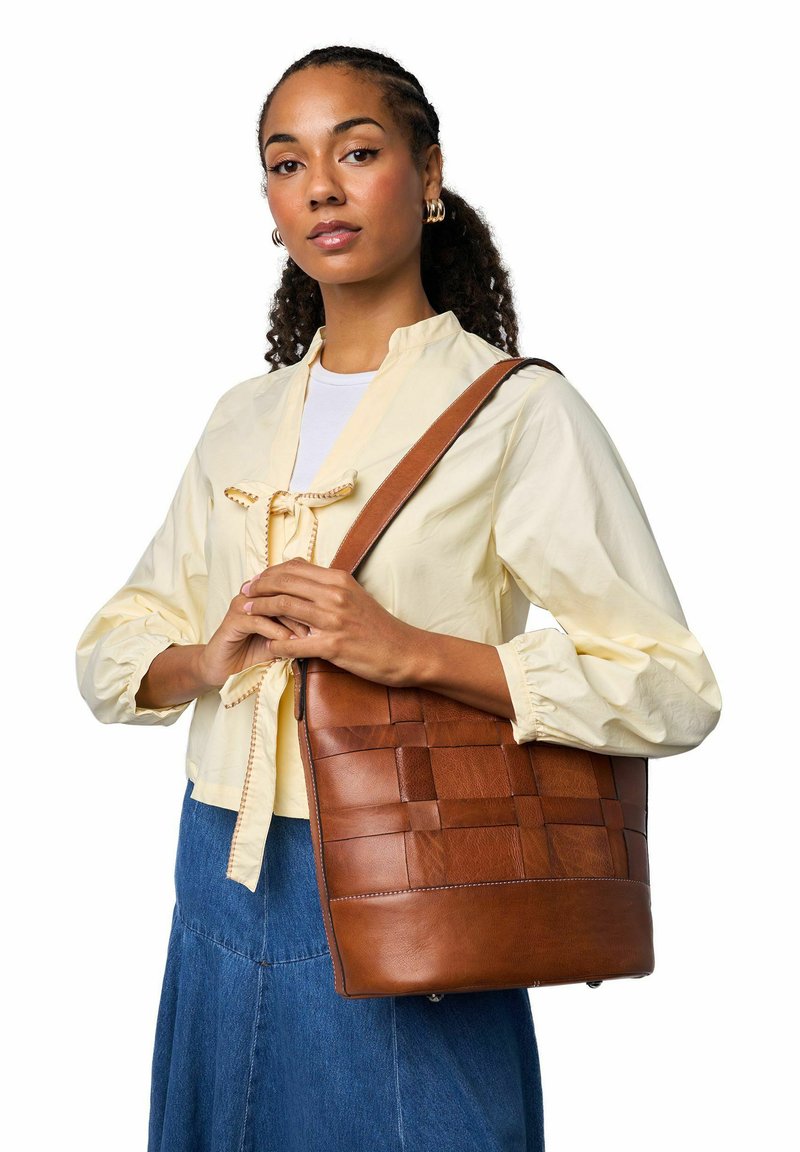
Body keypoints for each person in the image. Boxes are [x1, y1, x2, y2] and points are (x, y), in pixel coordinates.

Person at [75, 44, 722, 1152]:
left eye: (357, 152)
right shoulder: (241, 417)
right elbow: (115, 644)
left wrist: (410, 651)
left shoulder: (515, 412)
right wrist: (208, 656)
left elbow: (669, 684)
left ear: (427, 175)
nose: (319, 188)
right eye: (287, 163)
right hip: (220, 868)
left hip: (416, 866)